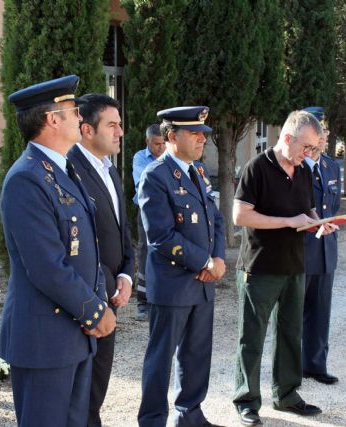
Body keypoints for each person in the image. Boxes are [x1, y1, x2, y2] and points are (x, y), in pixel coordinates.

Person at [0, 75, 116, 427]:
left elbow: (86, 248)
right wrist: (95, 312)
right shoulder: (27, 178)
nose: (81, 119)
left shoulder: (62, 170)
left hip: (73, 334)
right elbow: (47, 266)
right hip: (45, 338)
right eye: (74, 111)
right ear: (52, 119)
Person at [232, 111, 334, 426]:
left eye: (315, 149)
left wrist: (318, 221)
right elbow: (241, 216)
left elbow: (306, 209)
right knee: (252, 336)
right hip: (260, 267)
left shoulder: (302, 171)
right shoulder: (257, 168)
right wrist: (289, 222)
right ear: (287, 138)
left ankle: (287, 395)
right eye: (307, 147)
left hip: (294, 266)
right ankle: (247, 400)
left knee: (291, 333)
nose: (310, 155)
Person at [137, 106, 226, 427]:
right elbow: (160, 235)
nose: (202, 139)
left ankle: (190, 415)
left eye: (204, 134)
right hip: (174, 284)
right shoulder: (155, 176)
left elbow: (214, 219)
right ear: (171, 136)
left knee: (196, 354)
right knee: (160, 359)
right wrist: (205, 261)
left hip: (203, 283)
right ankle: (152, 421)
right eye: (195, 133)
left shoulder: (198, 172)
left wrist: (218, 259)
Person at [66, 93, 134, 427]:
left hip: (112, 292)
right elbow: (70, 247)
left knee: (99, 379)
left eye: (119, 125)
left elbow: (122, 232)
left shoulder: (110, 170)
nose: (120, 132)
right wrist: (102, 286)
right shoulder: (68, 170)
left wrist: (127, 275)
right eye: (112, 125)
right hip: (86, 297)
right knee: (78, 386)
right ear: (87, 130)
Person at [301, 107, 341, 385]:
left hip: (326, 250)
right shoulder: (292, 167)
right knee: (293, 315)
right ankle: (291, 370)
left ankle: (316, 365)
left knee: (320, 311)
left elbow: (333, 207)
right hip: (300, 251)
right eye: (320, 130)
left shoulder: (330, 166)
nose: (325, 135)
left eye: (325, 130)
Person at [132, 124, 166, 321]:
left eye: (163, 144)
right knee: (145, 251)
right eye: (156, 144)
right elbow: (146, 183)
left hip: (166, 211)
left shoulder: (170, 157)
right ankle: (142, 303)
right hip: (146, 210)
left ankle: (159, 299)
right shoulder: (140, 158)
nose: (160, 148)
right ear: (147, 142)